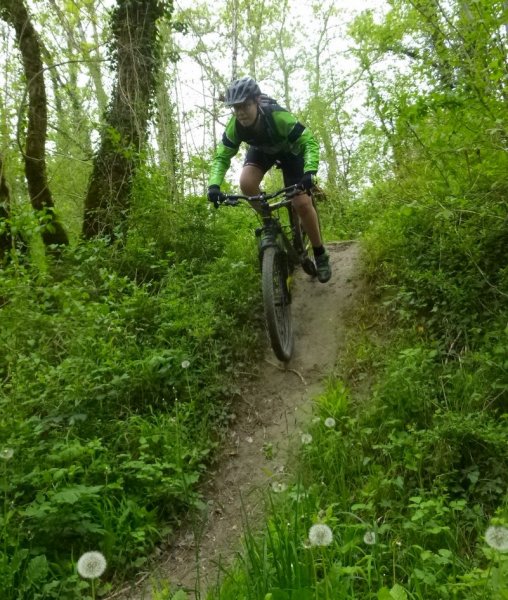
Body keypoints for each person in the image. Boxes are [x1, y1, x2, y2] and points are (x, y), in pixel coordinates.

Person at [207, 76, 332, 283]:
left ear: (256, 101)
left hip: (291, 153)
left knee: (301, 202)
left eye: (245, 105)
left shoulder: (278, 117)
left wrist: (309, 172)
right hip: (262, 151)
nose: (240, 112)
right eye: (235, 108)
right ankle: (269, 223)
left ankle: (320, 253)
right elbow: (222, 157)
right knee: (246, 183)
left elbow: (308, 141)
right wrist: (214, 185)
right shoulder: (235, 126)